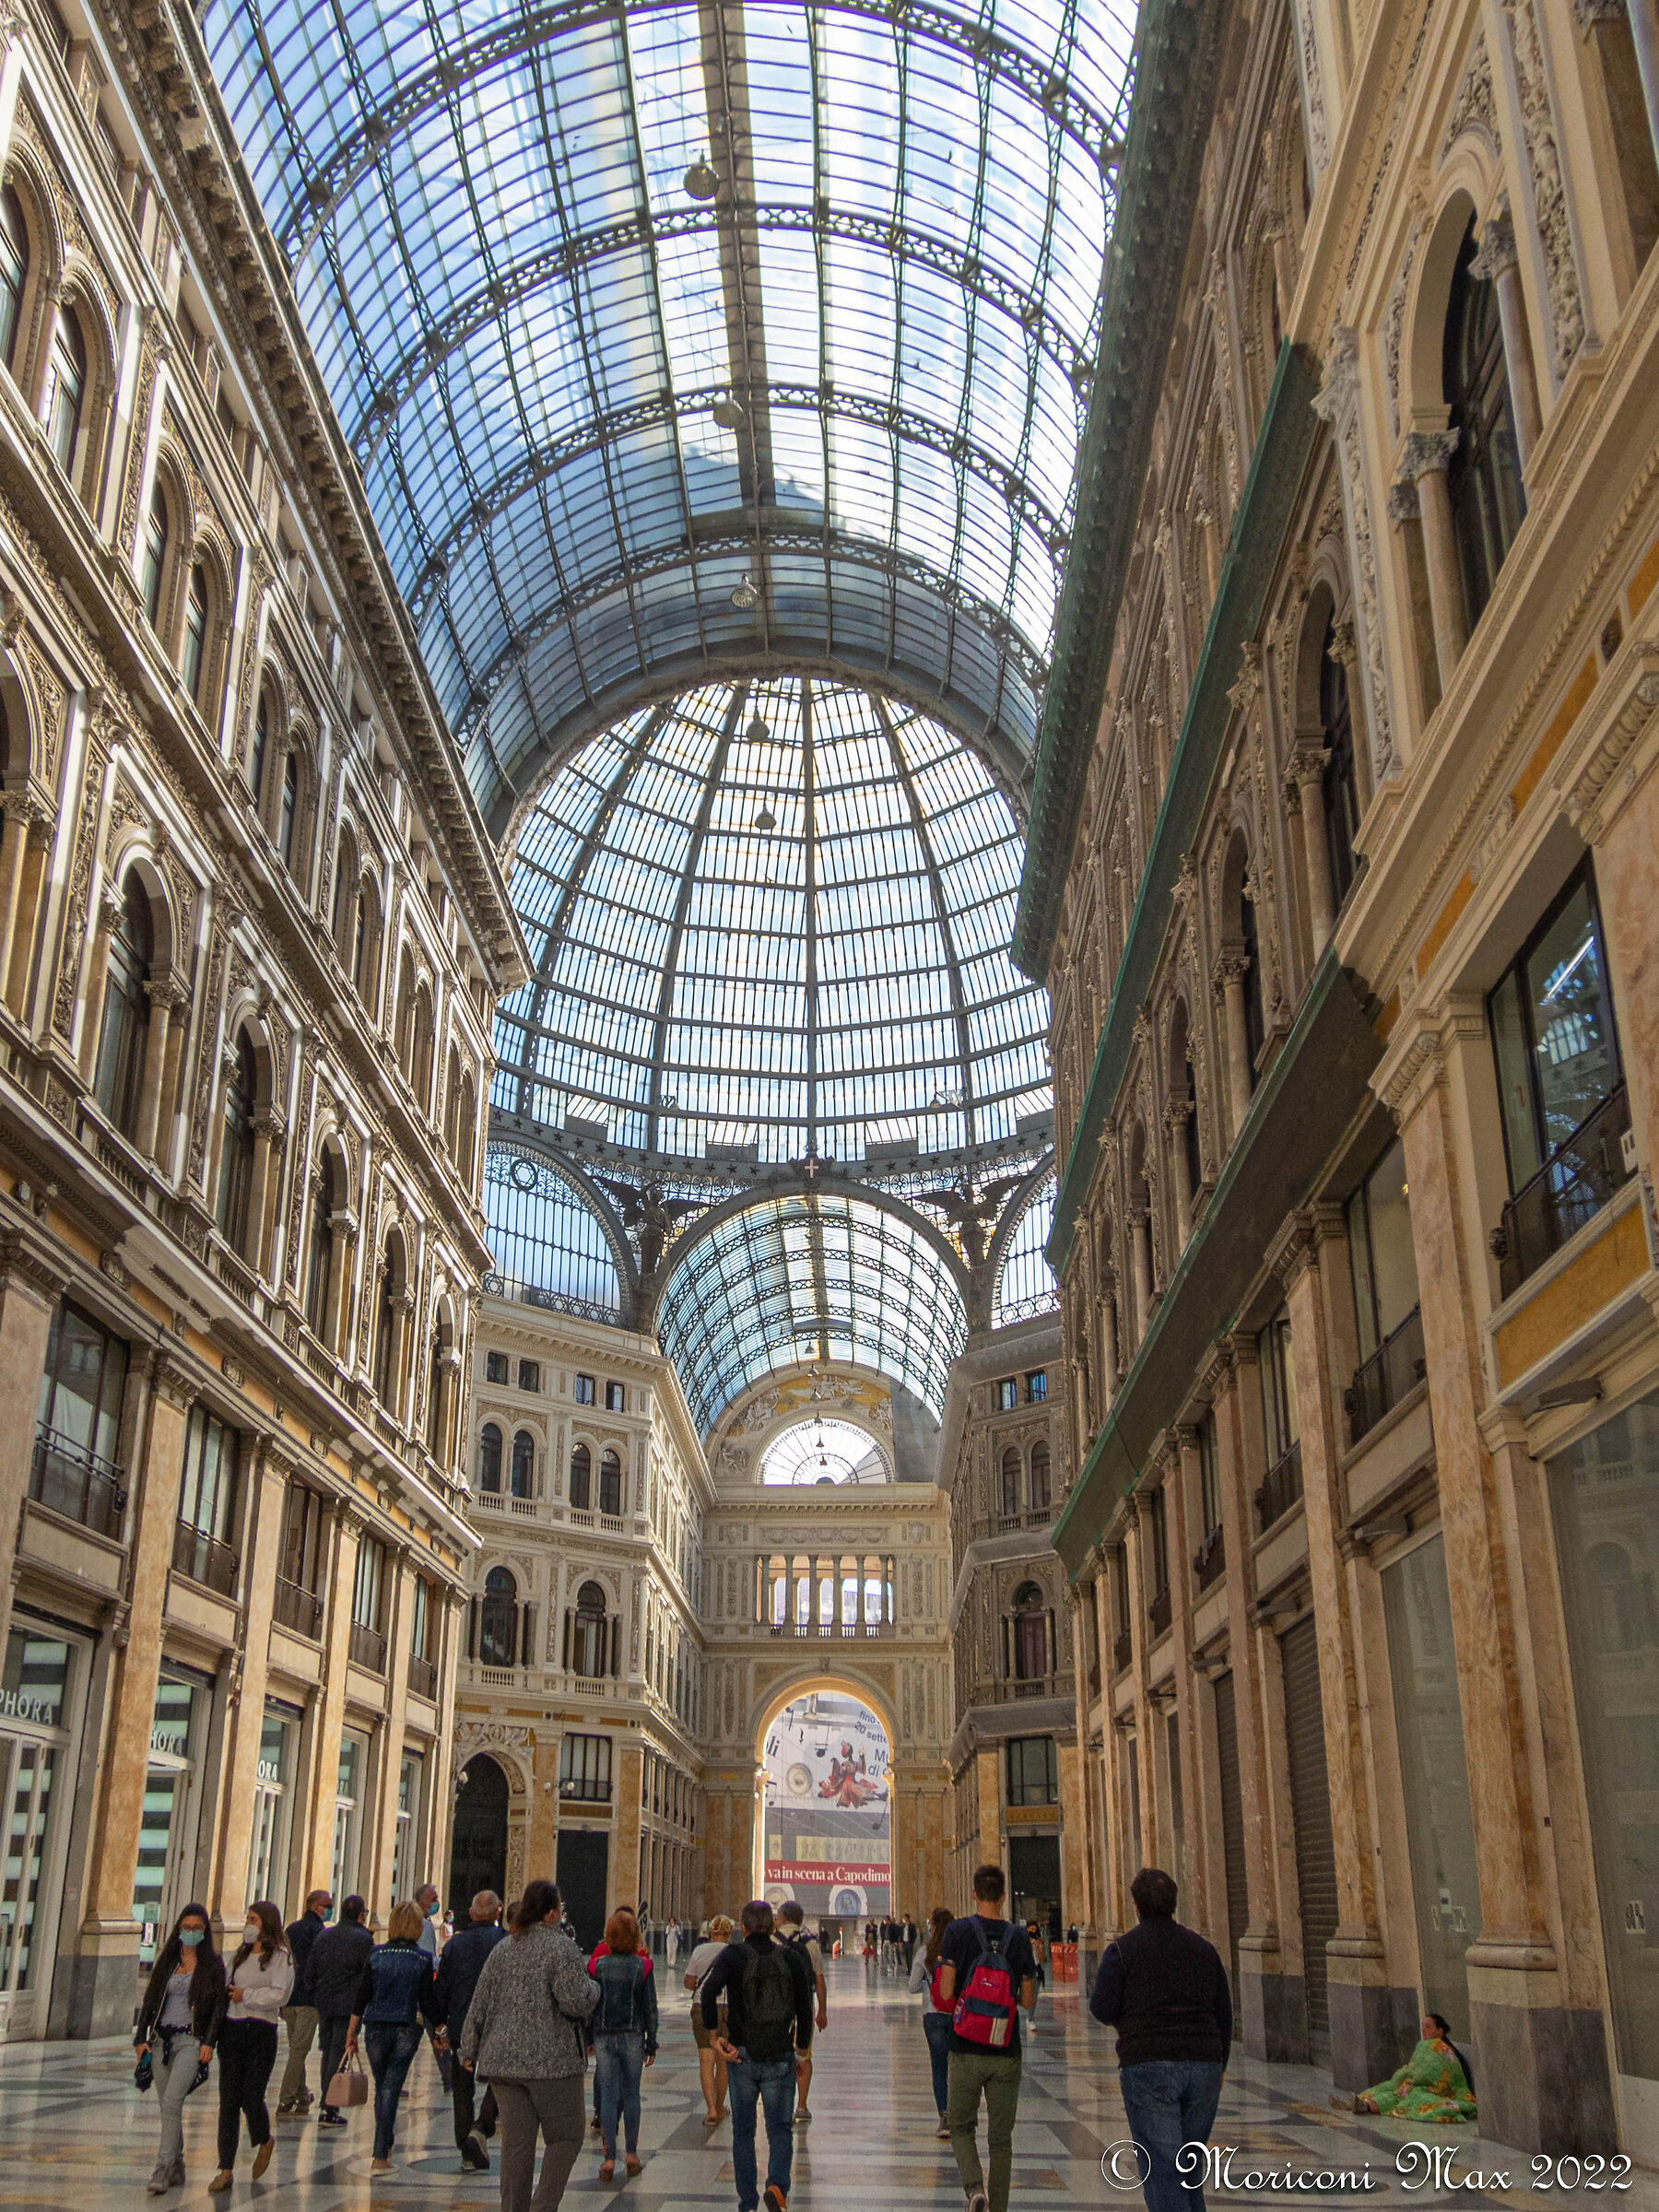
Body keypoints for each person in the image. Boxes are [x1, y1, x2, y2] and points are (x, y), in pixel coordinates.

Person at [1088, 1867, 1232, 2212]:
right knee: (1189, 2170)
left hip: (1148, 2064)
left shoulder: (1122, 1951)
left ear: (1136, 1905)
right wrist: (1219, 2066)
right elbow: (1223, 2013)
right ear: (1174, 1904)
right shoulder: (1203, 1949)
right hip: (1204, 2066)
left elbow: (1102, 2009)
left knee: (1163, 2172)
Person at [459, 1877, 600, 2212]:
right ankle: (543, 2206)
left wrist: (468, 2048)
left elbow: (480, 2002)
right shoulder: (560, 1946)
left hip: (503, 2064)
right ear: (552, 1913)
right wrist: (595, 1990)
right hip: (552, 2063)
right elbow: (575, 2001)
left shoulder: (504, 1947)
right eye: (560, 1909)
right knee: (566, 2137)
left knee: (516, 2146)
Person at [935, 1864, 1038, 2212]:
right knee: (1000, 2140)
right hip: (1006, 2050)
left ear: (975, 1893)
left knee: (962, 2127)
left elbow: (947, 1993)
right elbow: (1027, 2000)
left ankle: (975, 2190)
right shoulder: (1019, 1937)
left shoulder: (958, 1931)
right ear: (1004, 1896)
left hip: (965, 2048)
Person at [701, 1899, 815, 2212]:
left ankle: (747, 2201)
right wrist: (801, 2050)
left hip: (742, 2056)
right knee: (779, 2128)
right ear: (773, 1926)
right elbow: (805, 2006)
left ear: (743, 1927)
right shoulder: (791, 1955)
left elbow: (708, 1991)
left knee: (743, 2130)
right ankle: (777, 2186)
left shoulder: (734, 1955)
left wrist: (713, 2036)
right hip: (779, 2054)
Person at [135, 1902, 227, 2195]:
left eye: (197, 1928)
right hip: (161, 2041)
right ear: (178, 1930)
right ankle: (177, 2164)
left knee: (173, 2102)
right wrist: (140, 2038)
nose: (190, 1932)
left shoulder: (213, 1966)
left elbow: (217, 2009)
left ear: (204, 1931)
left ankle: (163, 2167)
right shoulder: (168, 1962)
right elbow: (151, 2002)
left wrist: (209, 2043)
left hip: (191, 2041)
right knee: (168, 2107)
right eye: (186, 1927)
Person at [346, 1898, 441, 2176]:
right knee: (390, 2088)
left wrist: (351, 2034)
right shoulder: (422, 1959)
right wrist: (440, 2032)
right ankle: (380, 2153)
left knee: (383, 2087)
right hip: (405, 2028)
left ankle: (384, 2147)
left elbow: (361, 1998)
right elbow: (428, 2001)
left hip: (375, 2028)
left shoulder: (375, 1955)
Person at [209, 1900, 293, 2194]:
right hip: (232, 2030)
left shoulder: (280, 1956)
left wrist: (247, 1995)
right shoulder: (239, 1955)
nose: (248, 1923)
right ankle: (225, 2167)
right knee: (228, 2101)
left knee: (251, 2096)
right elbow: (226, 1987)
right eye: (247, 1918)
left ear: (267, 1923)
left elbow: (279, 1995)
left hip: (261, 2031)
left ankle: (265, 2139)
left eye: (254, 1919)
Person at [433, 1889, 508, 2170]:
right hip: (496, 2024)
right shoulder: (505, 1942)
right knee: (500, 2079)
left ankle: (466, 2150)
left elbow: (442, 1989)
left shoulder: (455, 1945)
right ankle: (480, 2127)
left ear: (473, 1913)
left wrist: (439, 2026)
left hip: (461, 2024)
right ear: (497, 1912)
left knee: (462, 2088)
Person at [590, 1908, 658, 2181]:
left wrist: (587, 2037)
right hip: (632, 2034)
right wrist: (651, 2043)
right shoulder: (643, 1967)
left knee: (608, 2095)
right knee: (631, 2093)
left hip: (604, 2035)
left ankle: (608, 2160)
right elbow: (650, 2008)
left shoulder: (597, 1966)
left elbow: (591, 2005)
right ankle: (631, 2154)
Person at [308, 1895, 373, 2129]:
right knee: (338, 2053)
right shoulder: (365, 1938)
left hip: (325, 2002)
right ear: (361, 1915)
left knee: (328, 2051)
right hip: (348, 2005)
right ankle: (329, 2107)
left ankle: (328, 2104)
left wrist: (315, 1992)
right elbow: (368, 1975)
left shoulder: (325, 1935)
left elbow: (311, 1969)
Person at [1354, 2015, 1477, 2124]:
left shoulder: (1442, 2048)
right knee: (1395, 2091)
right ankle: (1363, 2103)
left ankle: (1366, 2106)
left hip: (1440, 2090)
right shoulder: (1427, 2047)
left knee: (1410, 2097)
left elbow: (1432, 2073)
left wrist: (1410, 2075)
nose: (1424, 2030)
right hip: (1420, 2085)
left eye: (1428, 2027)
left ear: (1440, 2031)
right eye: (1423, 2027)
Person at [276, 1888, 332, 2117]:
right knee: (299, 2050)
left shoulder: (291, 1929)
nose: (328, 1909)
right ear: (313, 1906)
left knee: (295, 2049)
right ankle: (286, 2099)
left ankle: (302, 2096)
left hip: (289, 1997)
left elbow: (284, 1962)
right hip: (309, 2000)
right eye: (326, 1905)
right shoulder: (321, 1932)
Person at [906, 1903, 955, 2139]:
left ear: (933, 1927)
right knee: (958, 2066)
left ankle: (944, 2117)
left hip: (933, 2014)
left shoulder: (925, 1952)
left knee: (939, 2067)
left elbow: (912, 1986)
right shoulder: (959, 1950)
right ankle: (961, 2114)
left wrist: (929, 1983)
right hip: (957, 2014)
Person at [775, 1901, 826, 2124]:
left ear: (783, 1917)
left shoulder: (771, 1941)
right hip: (804, 2005)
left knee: (777, 2054)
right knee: (803, 2054)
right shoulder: (810, 1942)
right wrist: (822, 2011)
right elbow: (819, 1979)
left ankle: (780, 2104)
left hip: (776, 2007)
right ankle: (802, 2106)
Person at [686, 1914, 735, 2125]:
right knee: (722, 2061)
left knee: (706, 2061)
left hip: (701, 2007)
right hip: (727, 2008)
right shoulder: (734, 1953)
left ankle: (711, 2110)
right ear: (729, 1933)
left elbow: (689, 1982)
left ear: (711, 1932)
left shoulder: (699, 1951)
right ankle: (721, 2106)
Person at [416, 1883, 453, 2090]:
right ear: (423, 1903)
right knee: (437, 2032)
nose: (437, 1902)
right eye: (434, 1899)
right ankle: (449, 2078)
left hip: (416, 1986)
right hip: (425, 1987)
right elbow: (428, 1958)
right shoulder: (425, 1925)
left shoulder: (420, 1922)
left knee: (410, 2037)